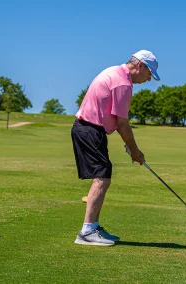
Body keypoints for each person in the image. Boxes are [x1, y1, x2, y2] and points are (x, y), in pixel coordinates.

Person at [71, 50, 160, 246]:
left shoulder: (115, 72)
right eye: (149, 74)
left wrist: (129, 145)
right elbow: (122, 123)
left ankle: (92, 227)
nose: (148, 79)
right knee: (102, 176)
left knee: (103, 174)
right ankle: (87, 231)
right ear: (140, 66)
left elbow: (113, 118)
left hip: (90, 129)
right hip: (89, 129)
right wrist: (135, 151)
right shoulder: (123, 83)